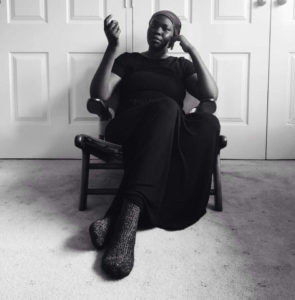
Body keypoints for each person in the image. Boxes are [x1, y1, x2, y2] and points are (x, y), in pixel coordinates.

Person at [88, 10, 220, 279]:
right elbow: (99, 94)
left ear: (173, 37)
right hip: (129, 126)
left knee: (208, 124)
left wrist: (192, 50)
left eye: (165, 28)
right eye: (153, 25)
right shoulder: (129, 61)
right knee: (166, 107)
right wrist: (112, 48)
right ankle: (126, 229)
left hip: (166, 129)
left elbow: (210, 94)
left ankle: (115, 219)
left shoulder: (181, 66)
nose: (156, 31)